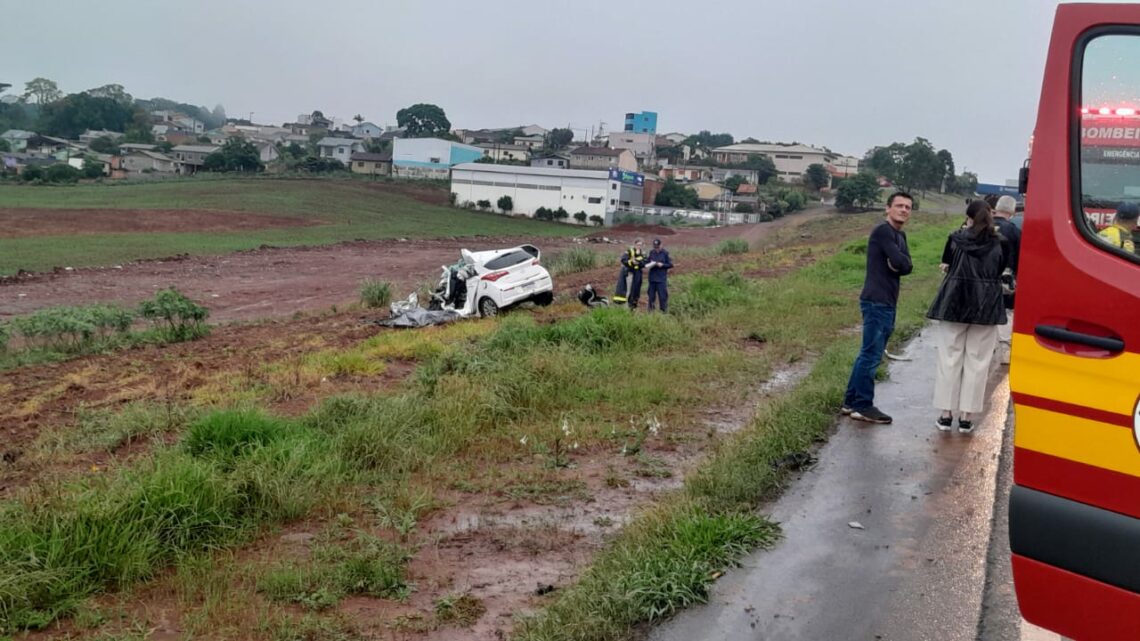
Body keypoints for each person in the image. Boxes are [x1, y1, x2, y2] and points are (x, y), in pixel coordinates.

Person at [928, 200, 1009, 434]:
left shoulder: (955, 238)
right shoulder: (1001, 243)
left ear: (968, 217)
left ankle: (945, 416)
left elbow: (947, 264)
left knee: (949, 358)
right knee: (978, 361)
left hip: (954, 301)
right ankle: (966, 417)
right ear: (990, 216)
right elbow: (1000, 271)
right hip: (985, 304)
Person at [842, 191, 914, 425]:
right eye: (899, 206)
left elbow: (906, 266)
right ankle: (863, 404)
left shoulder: (899, 236)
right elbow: (902, 262)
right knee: (871, 355)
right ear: (887, 208)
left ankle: (851, 400)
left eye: (908, 207)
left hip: (887, 301)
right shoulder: (884, 232)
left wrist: (899, 262)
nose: (904, 210)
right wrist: (899, 262)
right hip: (877, 301)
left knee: (868, 353)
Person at [993, 195, 1021, 365]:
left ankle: (987, 348)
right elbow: (1019, 257)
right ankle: (1004, 350)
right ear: (1013, 212)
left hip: (981, 280)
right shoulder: (1014, 231)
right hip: (1006, 279)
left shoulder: (983, 226)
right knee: (1008, 313)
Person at [613, 238, 646, 310]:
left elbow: (644, 262)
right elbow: (623, 260)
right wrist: (631, 262)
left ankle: (633, 305)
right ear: (635, 244)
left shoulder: (643, 253)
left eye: (640, 245)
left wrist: (639, 263)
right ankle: (626, 305)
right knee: (628, 289)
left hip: (638, 274)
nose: (639, 246)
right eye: (637, 244)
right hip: (630, 273)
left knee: (636, 290)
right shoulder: (629, 251)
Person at [644, 238, 673, 312]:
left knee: (663, 297)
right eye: (655, 247)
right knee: (651, 297)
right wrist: (648, 264)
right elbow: (647, 262)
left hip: (661, 279)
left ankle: (664, 312)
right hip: (652, 279)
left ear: (661, 245)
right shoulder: (651, 252)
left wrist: (662, 265)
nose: (656, 248)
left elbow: (670, 264)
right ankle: (651, 313)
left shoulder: (665, 253)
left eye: (658, 247)